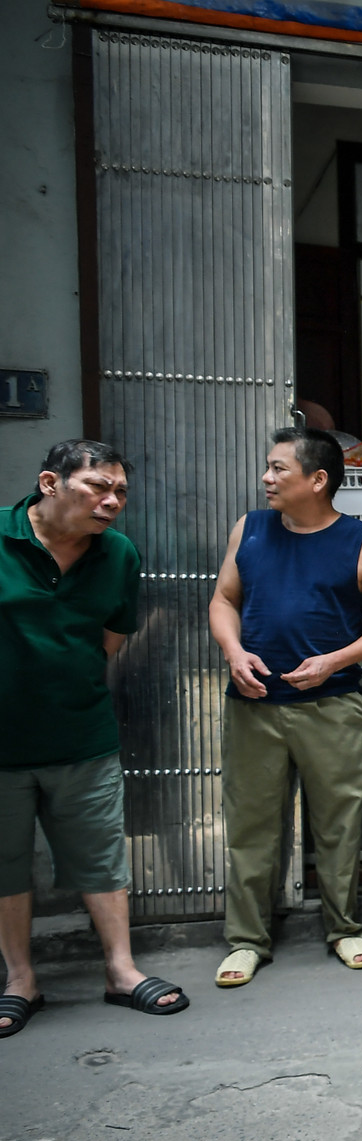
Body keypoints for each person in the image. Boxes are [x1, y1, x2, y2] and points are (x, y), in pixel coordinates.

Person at [0, 440, 188, 1037]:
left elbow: (111, 638)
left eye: (120, 493)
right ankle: (20, 979)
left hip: (83, 733)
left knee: (101, 857)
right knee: (5, 864)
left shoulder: (118, 555)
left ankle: (121, 970)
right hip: (3, 743)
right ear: (51, 483)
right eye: (97, 488)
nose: (111, 502)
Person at [208, 427, 362, 988]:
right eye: (267, 469)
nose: (267, 479)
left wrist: (333, 659)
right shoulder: (250, 529)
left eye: (279, 470)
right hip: (255, 702)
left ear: (318, 480)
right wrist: (233, 651)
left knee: (338, 826)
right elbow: (224, 599)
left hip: (332, 705)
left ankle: (344, 929)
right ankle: (247, 940)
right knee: (251, 826)